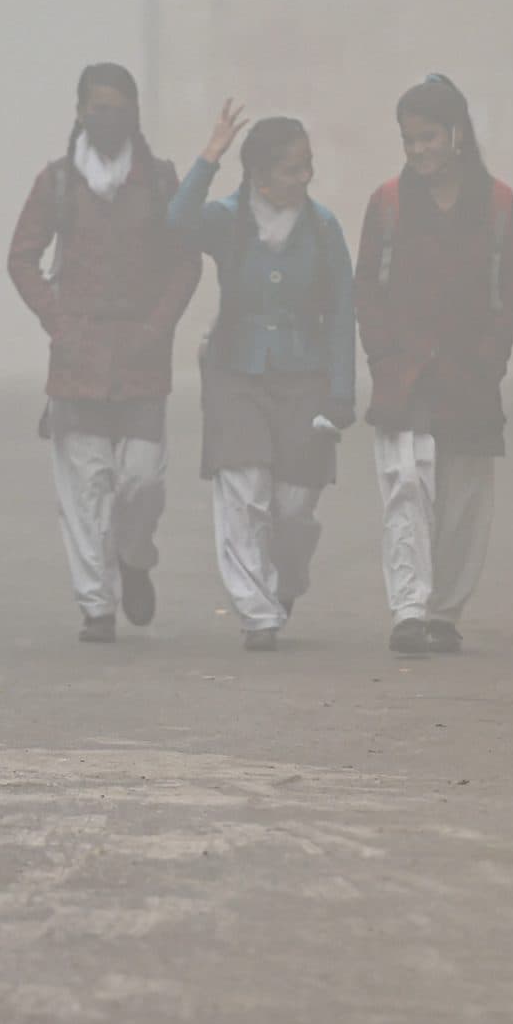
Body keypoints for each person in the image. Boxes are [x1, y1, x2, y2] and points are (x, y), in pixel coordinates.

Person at [7, 63, 204, 643]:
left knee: (142, 482)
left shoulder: (159, 181)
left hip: (142, 360)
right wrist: (58, 321)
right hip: (77, 362)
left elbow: (186, 262)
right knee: (86, 487)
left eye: (120, 107)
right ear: (80, 112)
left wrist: (158, 326)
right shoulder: (58, 183)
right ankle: (96, 604)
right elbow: (21, 257)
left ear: (135, 113)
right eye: (99, 107)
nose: (109, 117)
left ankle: (134, 556)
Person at [167, 102, 356, 651]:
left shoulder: (323, 228)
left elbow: (342, 313)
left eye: (307, 165)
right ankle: (257, 613)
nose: (305, 177)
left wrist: (341, 392)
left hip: (305, 377)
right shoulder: (227, 219)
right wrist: (210, 156)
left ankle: (286, 580)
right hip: (235, 372)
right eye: (292, 168)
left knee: (294, 506)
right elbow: (176, 223)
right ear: (260, 174)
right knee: (244, 490)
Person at [357, 75, 513, 656]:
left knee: (462, 503)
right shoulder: (387, 204)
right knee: (405, 484)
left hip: (470, 378)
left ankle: (443, 612)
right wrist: (382, 355)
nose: (418, 150)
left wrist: (491, 358)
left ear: (457, 134)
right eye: (409, 140)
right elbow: (366, 289)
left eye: (428, 137)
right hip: (403, 375)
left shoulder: (500, 206)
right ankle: (409, 607)